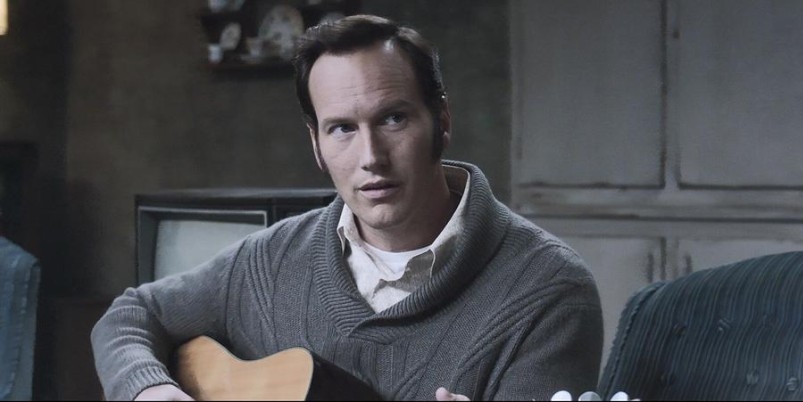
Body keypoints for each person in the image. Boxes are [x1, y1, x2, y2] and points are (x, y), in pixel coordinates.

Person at [91, 14, 603, 401]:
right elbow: (131, 315)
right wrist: (149, 389)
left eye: (393, 119)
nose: (371, 157)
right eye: (342, 129)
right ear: (316, 145)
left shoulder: (548, 291)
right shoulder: (270, 262)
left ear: (442, 121)